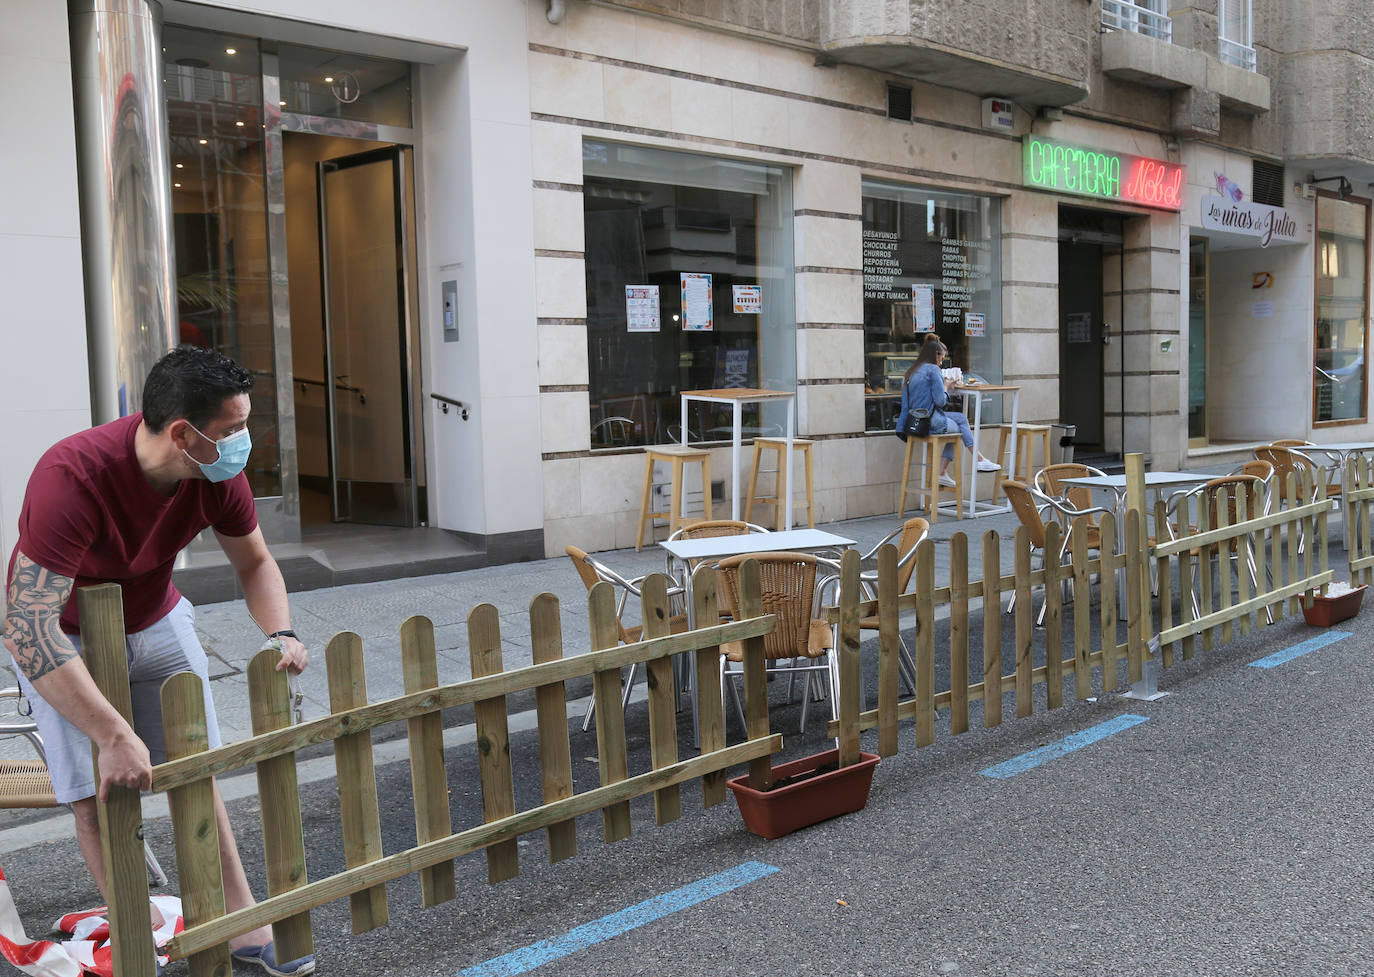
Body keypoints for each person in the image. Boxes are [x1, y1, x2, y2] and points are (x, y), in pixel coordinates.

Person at [3, 346, 315, 977]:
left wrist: (280, 631)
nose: (242, 443)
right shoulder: (72, 476)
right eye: (230, 430)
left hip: (157, 618)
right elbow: (26, 624)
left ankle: (241, 924)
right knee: (99, 790)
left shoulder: (217, 476)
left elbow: (254, 563)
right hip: (66, 640)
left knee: (194, 771)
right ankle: (134, 929)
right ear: (183, 434)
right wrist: (112, 734)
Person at [899, 334, 1001, 486]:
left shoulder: (912, 370)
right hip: (930, 423)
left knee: (959, 419)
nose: (941, 363)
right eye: (941, 359)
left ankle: (968, 464)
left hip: (912, 422)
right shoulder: (933, 370)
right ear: (935, 355)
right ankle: (975, 461)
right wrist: (946, 387)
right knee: (959, 425)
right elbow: (940, 402)